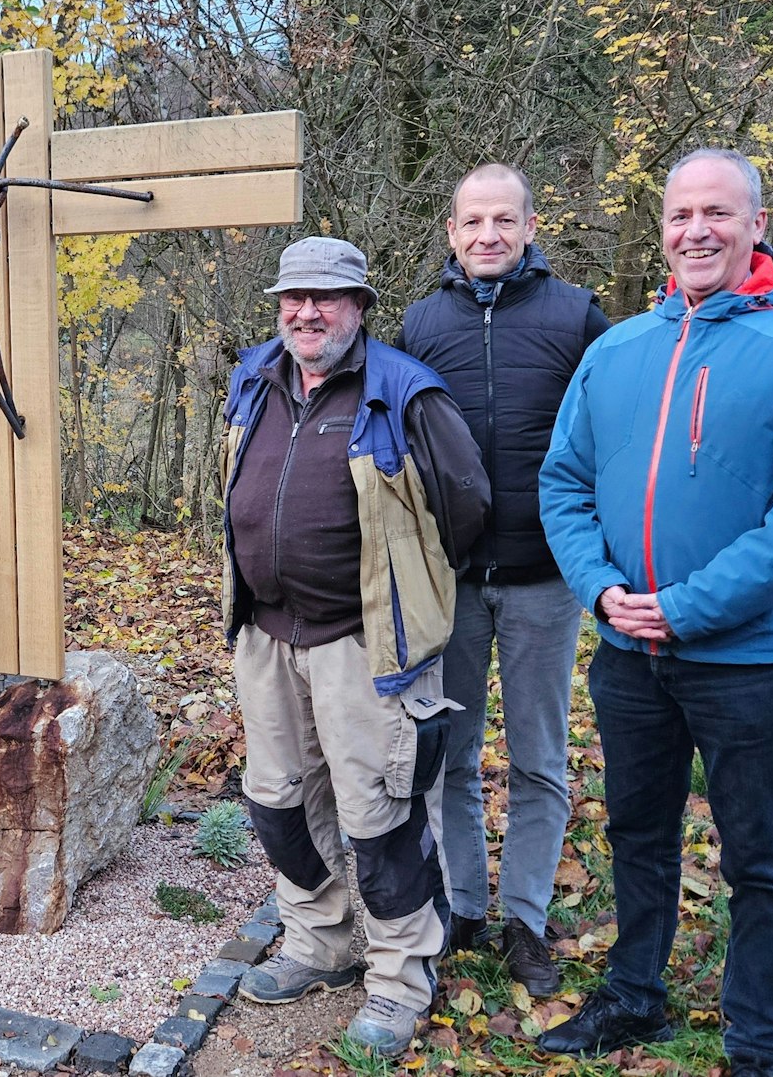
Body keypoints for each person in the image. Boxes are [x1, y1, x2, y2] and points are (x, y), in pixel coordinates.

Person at [537, 149, 773, 1076]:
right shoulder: (617, 350)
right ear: (663, 229)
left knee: (759, 856)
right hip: (626, 650)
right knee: (636, 832)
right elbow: (563, 480)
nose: (697, 230)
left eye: (717, 213)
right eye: (681, 213)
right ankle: (635, 993)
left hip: (752, 657)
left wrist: (687, 606)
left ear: (757, 223)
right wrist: (601, 588)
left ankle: (757, 1042)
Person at [224, 237, 490, 1057]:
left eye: (327, 299)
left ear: (360, 308)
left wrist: (411, 598)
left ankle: (400, 978)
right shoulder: (253, 380)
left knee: (379, 820)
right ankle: (320, 940)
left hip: (365, 645)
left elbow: (469, 504)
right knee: (276, 802)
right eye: (293, 298)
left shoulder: (404, 393)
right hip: (267, 633)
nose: (308, 313)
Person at [396, 163, 610, 996]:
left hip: (544, 578)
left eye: (504, 220)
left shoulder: (576, 316)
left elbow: (614, 436)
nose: (488, 234)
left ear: (529, 227)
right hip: (448, 579)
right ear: (451, 232)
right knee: (447, 749)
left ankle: (524, 917)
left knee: (538, 757)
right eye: (472, 221)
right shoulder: (421, 323)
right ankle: (461, 906)